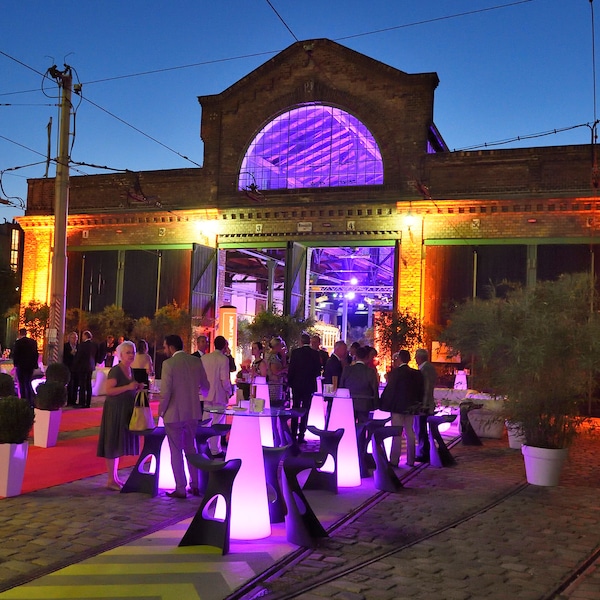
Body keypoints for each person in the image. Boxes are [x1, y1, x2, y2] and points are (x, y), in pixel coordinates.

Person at [160, 334, 210, 498]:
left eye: (165, 346)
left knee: (176, 451)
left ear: (171, 347)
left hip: (174, 414)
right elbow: (206, 386)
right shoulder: (195, 361)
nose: (164, 349)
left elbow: (166, 392)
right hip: (193, 412)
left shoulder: (168, 364)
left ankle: (180, 487)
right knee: (190, 448)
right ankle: (194, 485)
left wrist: (161, 411)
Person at [97, 341, 146, 490]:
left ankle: (115, 478)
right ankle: (111, 479)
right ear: (120, 354)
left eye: (133, 352)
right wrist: (128, 387)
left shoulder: (130, 370)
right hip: (115, 409)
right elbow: (109, 390)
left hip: (125, 409)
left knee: (118, 442)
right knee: (112, 442)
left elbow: (128, 389)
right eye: (128, 352)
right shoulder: (116, 371)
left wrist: (137, 388)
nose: (131, 355)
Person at [380, 349, 424, 468]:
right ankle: (411, 459)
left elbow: (390, 391)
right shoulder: (416, 373)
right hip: (411, 407)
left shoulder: (395, 373)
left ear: (399, 359)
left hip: (397, 407)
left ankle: (395, 460)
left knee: (397, 433)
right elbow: (420, 391)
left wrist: (382, 403)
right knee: (410, 432)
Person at [200, 335, 233, 456]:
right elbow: (224, 379)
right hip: (218, 395)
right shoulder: (223, 359)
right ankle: (215, 450)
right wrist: (229, 391)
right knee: (217, 423)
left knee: (206, 421)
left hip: (206, 394)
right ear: (224, 346)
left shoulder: (205, 358)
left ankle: (203, 446)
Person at [287, 333, 322, 443]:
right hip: (309, 386)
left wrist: (290, 382)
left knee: (295, 408)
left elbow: (291, 369)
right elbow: (317, 371)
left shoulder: (296, 353)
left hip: (296, 385)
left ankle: (293, 434)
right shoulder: (315, 354)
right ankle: (301, 434)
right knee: (306, 410)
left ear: (301, 341)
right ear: (310, 342)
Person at [339, 345, 379, 424]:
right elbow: (374, 388)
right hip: (365, 404)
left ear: (356, 356)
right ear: (367, 357)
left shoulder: (347, 369)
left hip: (349, 403)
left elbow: (341, 386)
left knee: (349, 425)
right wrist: (376, 404)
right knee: (362, 427)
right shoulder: (370, 371)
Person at [414, 348, 438, 462]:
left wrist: (424, 404)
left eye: (416, 356)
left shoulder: (425, 369)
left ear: (419, 358)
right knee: (421, 428)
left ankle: (424, 453)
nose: (415, 359)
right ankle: (424, 451)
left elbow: (427, 388)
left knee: (420, 428)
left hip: (425, 404)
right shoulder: (429, 367)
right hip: (427, 403)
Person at [322, 340, 348, 428]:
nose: (346, 351)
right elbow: (335, 377)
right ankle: (329, 428)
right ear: (338, 349)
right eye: (344, 349)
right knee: (331, 409)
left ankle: (329, 427)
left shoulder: (334, 360)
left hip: (330, 389)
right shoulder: (334, 361)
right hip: (332, 390)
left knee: (331, 409)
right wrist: (336, 391)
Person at [12, 327, 39, 406]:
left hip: (21, 366)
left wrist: (15, 365)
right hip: (30, 366)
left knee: (22, 384)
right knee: (28, 382)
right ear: (26, 333)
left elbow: (15, 354)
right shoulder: (33, 342)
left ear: (20, 334)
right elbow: (35, 355)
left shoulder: (18, 343)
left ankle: (23, 400)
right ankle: (30, 400)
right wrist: (35, 365)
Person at [73, 330, 98, 408]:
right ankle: (88, 403)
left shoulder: (82, 345)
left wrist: (75, 365)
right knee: (89, 385)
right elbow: (96, 356)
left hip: (82, 367)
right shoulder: (94, 345)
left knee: (82, 385)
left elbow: (79, 356)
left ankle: (82, 402)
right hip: (91, 367)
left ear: (85, 336)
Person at [267, 337, 288, 409]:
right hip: (274, 385)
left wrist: (283, 356)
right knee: (274, 406)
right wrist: (284, 370)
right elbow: (275, 372)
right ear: (277, 346)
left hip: (276, 384)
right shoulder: (273, 357)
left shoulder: (274, 356)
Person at [62, 331, 79, 406]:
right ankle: (69, 401)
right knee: (70, 384)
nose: (75, 339)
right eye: (73, 338)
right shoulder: (65, 346)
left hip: (76, 368)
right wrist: (70, 354)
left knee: (75, 384)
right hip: (68, 367)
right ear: (69, 338)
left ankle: (74, 401)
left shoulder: (79, 346)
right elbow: (64, 357)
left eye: (76, 338)